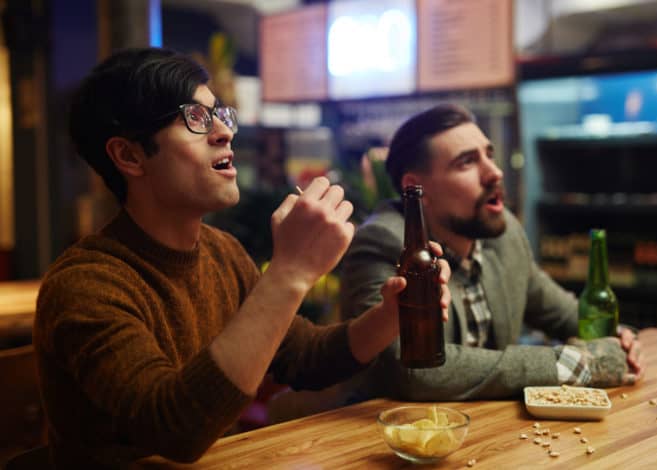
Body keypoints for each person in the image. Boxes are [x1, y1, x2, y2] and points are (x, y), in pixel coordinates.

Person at [32, 47, 451, 468]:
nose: (223, 132)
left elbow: (302, 356)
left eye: (220, 115)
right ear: (129, 155)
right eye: (195, 118)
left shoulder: (222, 252)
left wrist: (390, 316)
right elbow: (173, 429)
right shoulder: (85, 284)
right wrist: (290, 273)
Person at [339, 103, 644, 402]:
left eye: (489, 155)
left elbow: (559, 311)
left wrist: (615, 337)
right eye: (466, 162)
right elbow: (413, 373)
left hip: (492, 433)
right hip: (396, 438)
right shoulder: (386, 244)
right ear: (416, 188)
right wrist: (572, 365)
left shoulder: (502, 231)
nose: (494, 173)